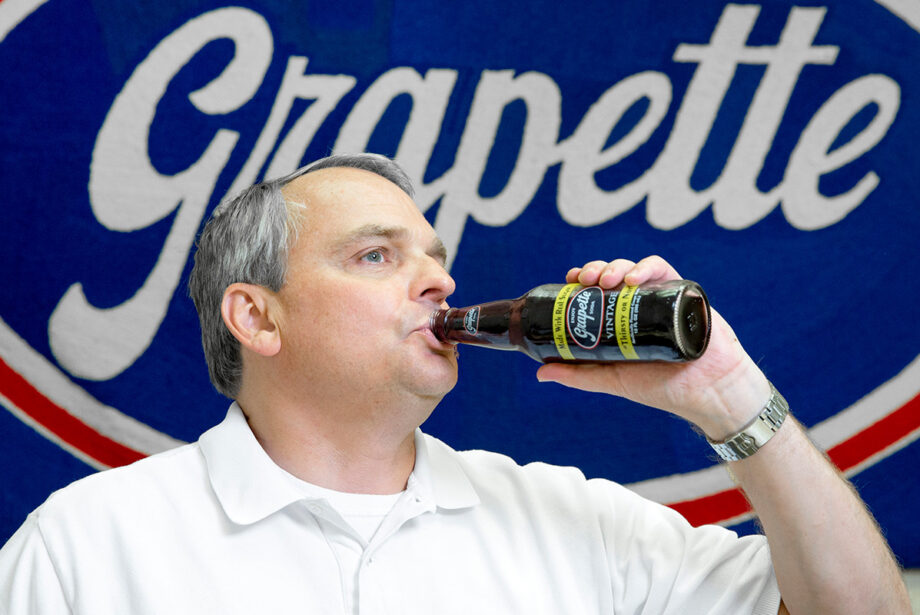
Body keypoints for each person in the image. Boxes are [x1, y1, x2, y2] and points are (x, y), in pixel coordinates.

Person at [0, 153, 910, 614]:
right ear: (258, 317)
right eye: (375, 255)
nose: (438, 282)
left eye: (436, 258)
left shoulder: (578, 523)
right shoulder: (90, 546)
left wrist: (728, 393)